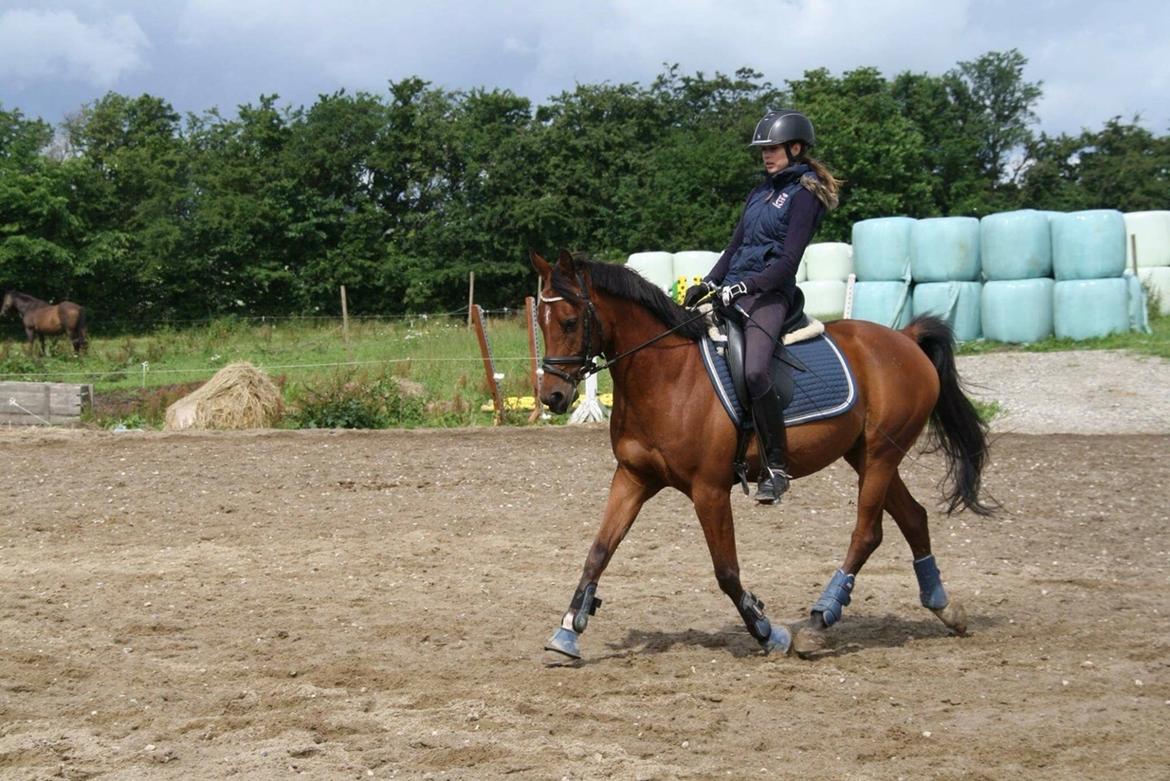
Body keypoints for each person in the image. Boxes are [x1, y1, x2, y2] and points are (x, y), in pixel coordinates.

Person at [684, 109, 840, 504]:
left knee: (754, 370)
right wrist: (708, 281)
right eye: (763, 150)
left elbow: (788, 261)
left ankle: (776, 464)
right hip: (735, 288)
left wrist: (743, 287)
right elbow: (735, 246)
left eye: (772, 148)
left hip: (770, 295)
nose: (766, 155)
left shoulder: (805, 194)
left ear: (796, 147)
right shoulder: (758, 194)